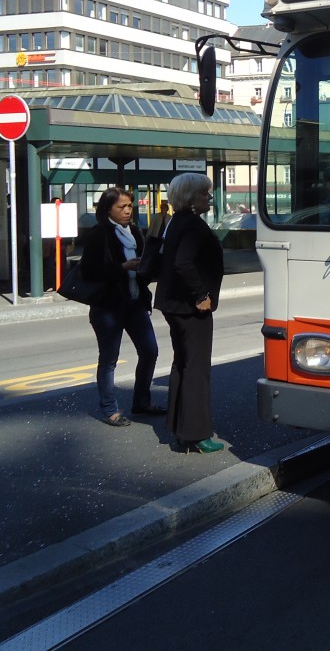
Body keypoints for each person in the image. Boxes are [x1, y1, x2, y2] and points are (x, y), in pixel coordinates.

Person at [79, 187, 163, 427]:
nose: (127, 211)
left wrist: (147, 267)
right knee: (109, 359)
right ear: (108, 209)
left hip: (135, 302)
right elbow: (89, 272)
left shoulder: (134, 232)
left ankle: (142, 401)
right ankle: (110, 409)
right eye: (121, 207)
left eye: (129, 206)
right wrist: (122, 267)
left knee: (150, 351)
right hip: (108, 306)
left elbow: (145, 264)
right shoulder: (99, 234)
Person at [154, 173, 225, 454]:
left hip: (173, 304)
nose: (209, 197)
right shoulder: (193, 225)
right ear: (192, 198)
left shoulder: (176, 221)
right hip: (190, 306)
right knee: (197, 368)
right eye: (205, 193)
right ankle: (197, 435)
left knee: (182, 363)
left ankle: (179, 428)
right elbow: (183, 263)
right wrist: (201, 295)